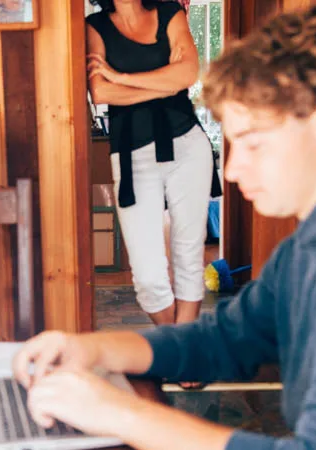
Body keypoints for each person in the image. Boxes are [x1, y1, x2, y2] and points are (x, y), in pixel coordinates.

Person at [13, 3, 316, 449]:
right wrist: (88, 347)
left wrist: (120, 414)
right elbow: (228, 337)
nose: (230, 169)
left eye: (252, 142)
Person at [86, 0, 222, 326]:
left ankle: (184, 345)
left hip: (187, 144)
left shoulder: (169, 11)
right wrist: (164, 82)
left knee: (189, 255)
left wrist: (122, 77)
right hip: (131, 154)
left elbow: (189, 73)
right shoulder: (96, 27)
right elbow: (100, 93)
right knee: (147, 273)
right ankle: (175, 339)